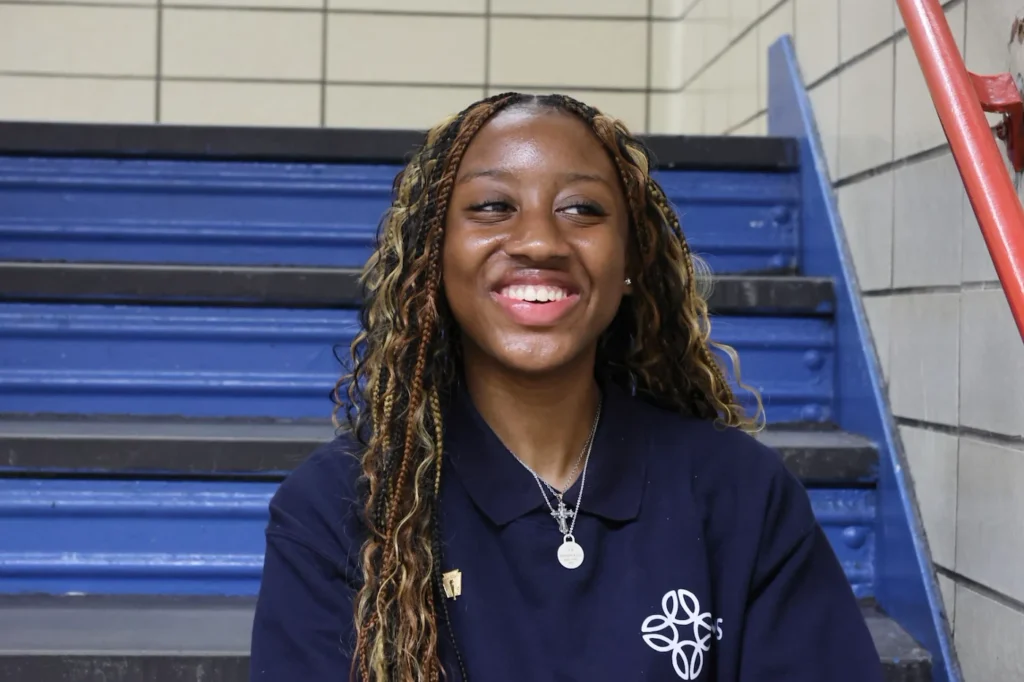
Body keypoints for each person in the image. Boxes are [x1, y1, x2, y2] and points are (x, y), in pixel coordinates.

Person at [248, 92, 883, 682]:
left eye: (581, 209)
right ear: (433, 256)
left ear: (630, 260)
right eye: (493, 207)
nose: (539, 241)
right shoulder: (340, 510)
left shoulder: (739, 493)